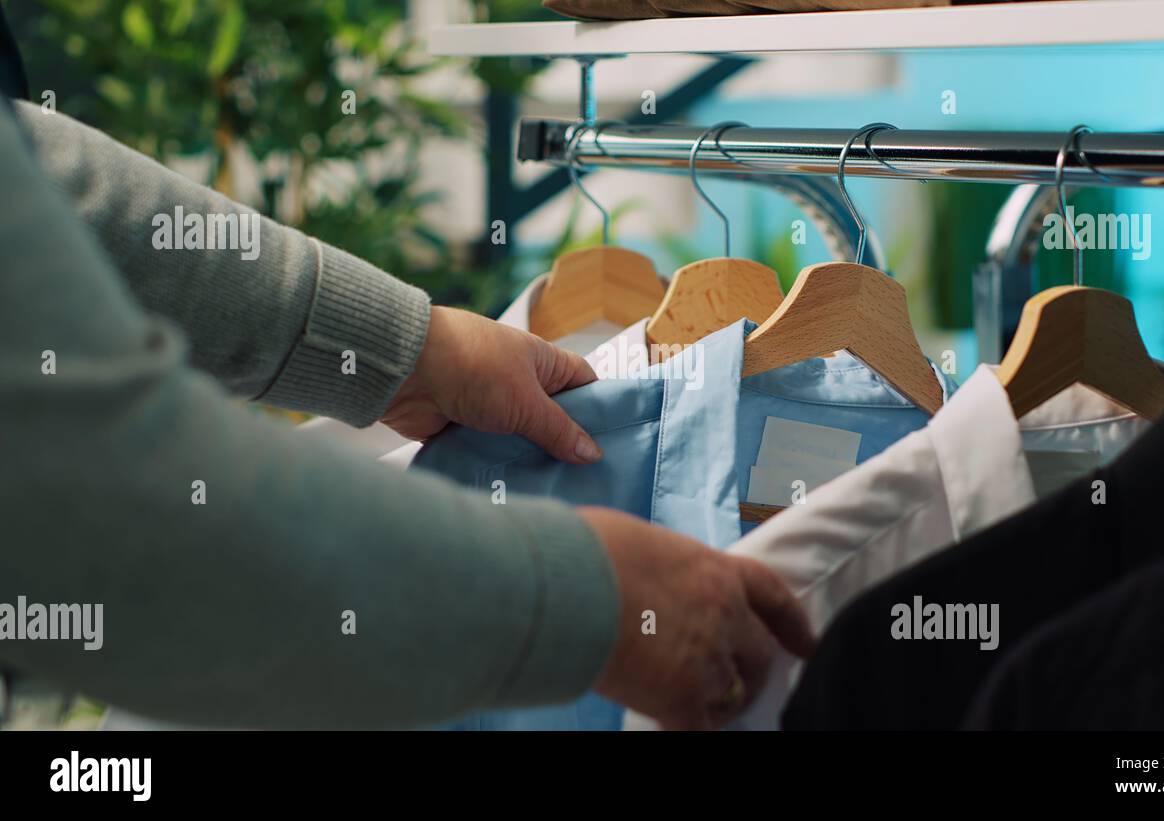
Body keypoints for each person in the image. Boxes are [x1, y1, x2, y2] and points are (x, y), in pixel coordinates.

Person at [0, 96, 813, 729]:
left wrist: (406, 348)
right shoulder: (451, 487)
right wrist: (579, 600)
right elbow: (117, 511)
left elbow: (37, 175)